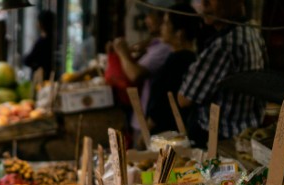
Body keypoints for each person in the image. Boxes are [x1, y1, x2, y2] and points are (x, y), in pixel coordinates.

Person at [177, 0, 267, 145]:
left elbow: (185, 99)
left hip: (220, 140)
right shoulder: (250, 31)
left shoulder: (226, 44)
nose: (204, 3)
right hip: (242, 134)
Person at [111, 4, 171, 145]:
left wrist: (121, 52)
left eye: (150, 15)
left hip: (150, 120)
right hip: (140, 116)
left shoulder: (165, 49)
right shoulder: (154, 45)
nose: (146, 21)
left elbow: (135, 74)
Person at [146, 3, 201, 134]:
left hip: (166, 135)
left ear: (179, 33)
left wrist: (147, 129)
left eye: (166, 23)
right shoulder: (188, 58)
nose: (161, 28)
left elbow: (162, 103)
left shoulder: (179, 61)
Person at [23, 10, 55, 79]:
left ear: (41, 23)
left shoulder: (42, 41)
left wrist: (36, 66)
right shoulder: (54, 40)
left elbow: (27, 60)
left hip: (41, 80)